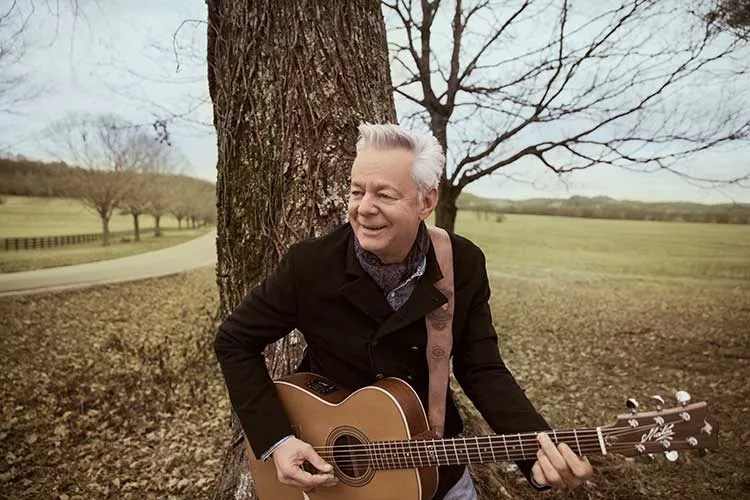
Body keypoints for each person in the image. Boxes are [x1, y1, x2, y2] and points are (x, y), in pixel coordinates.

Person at [214, 123, 593, 499]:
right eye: (356, 191)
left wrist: (539, 455)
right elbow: (234, 341)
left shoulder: (462, 264)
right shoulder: (310, 266)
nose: (364, 208)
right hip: (337, 480)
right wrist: (277, 440)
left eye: (384, 194)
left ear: (426, 202)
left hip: (435, 473)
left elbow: (482, 369)